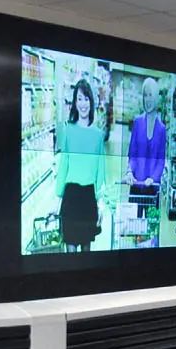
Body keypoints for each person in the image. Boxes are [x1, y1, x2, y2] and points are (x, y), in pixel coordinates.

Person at [56, 79, 106, 252]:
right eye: (79, 99)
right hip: (70, 196)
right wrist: (57, 198)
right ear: (75, 103)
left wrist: (101, 201)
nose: (83, 104)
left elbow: (101, 170)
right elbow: (64, 164)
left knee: (86, 250)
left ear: (91, 102)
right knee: (70, 249)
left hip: (88, 198)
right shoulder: (68, 130)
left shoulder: (98, 135)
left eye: (86, 99)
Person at [127, 77, 169, 190]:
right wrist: (130, 172)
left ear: (156, 97)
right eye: (145, 95)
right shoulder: (137, 122)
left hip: (152, 187)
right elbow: (132, 155)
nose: (148, 99)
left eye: (151, 95)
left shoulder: (162, 129)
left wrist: (153, 178)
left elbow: (161, 161)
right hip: (136, 183)